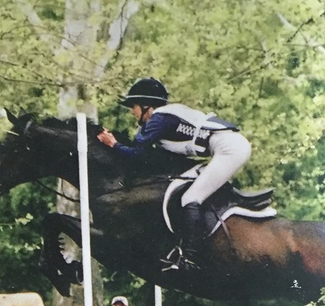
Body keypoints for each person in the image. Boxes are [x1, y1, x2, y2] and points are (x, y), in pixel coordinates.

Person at [96, 77, 251, 270]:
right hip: (227, 146)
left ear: (146, 106)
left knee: (191, 197)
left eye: (133, 106)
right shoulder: (164, 117)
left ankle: (190, 258)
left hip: (229, 149)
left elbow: (137, 153)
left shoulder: (158, 119)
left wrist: (113, 144)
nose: (132, 112)